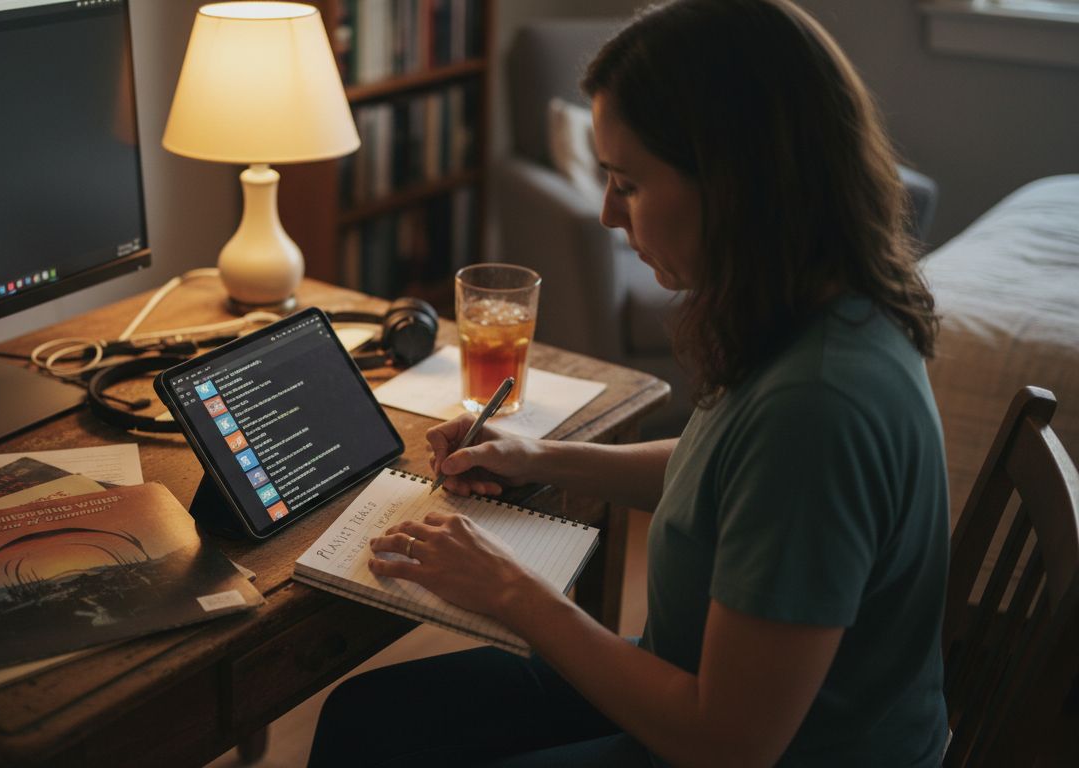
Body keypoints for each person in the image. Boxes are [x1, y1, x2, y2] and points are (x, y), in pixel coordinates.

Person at [309, 0, 949, 765]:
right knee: (368, 717)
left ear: (737, 182)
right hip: (695, 678)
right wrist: (543, 459)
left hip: (756, 742)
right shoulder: (821, 310)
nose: (610, 214)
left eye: (628, 183)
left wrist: (511, 589)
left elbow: (726, 743)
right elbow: (723, 470)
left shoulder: (818, 408)